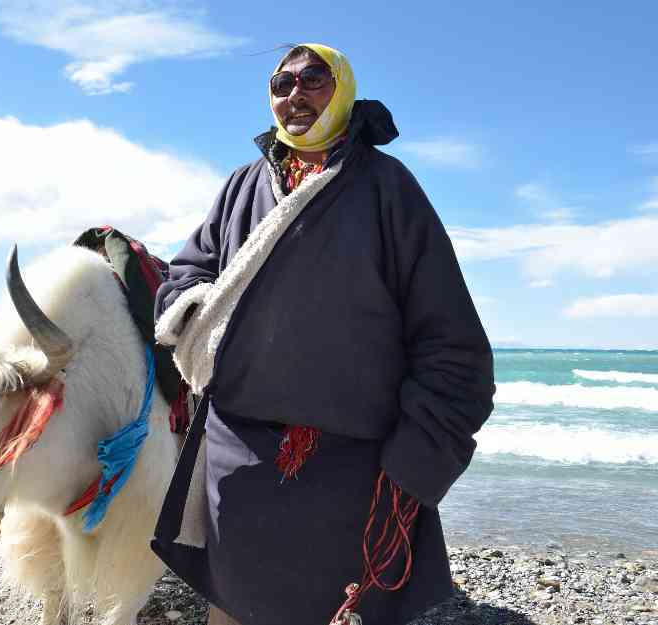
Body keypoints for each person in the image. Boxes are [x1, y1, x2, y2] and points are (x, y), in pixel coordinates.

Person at [151, 43, 495, 625]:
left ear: (343, 89)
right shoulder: (241, 186)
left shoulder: (388, 188)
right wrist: (197, 316)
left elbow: (452, 346)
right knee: (230, 607)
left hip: (351, 478)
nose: (295, 94)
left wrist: (413, 465)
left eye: (314, 78)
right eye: (282, 83)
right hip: (238, 464)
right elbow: (186, 275)